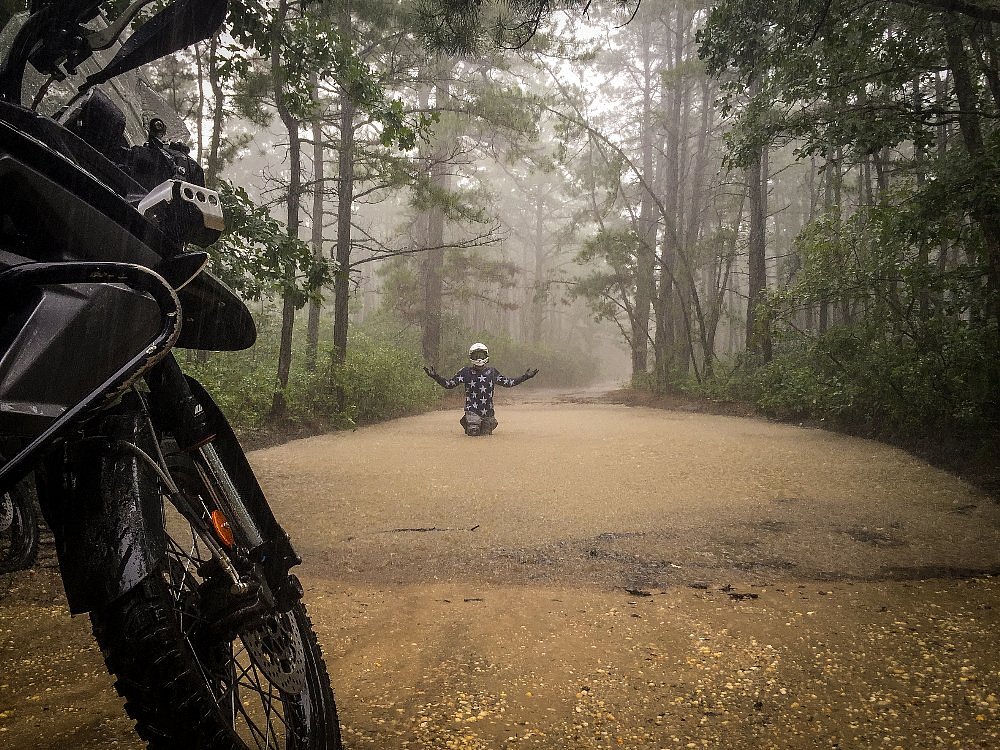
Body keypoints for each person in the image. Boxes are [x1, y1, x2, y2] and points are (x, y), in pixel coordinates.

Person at [423, 342, 539, 434]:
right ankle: (469, 422)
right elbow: (449, 384)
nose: (479, 358)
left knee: (486, 434)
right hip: (472, 410)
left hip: (488, 412)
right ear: (471, 357)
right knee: (473, 431)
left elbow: (509, 383)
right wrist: (435, 376)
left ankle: (472, 423)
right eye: (476, 356)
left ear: (486, 356)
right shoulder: (465, 372)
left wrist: (525, 377)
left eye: (481, 355)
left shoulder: (492, 372)